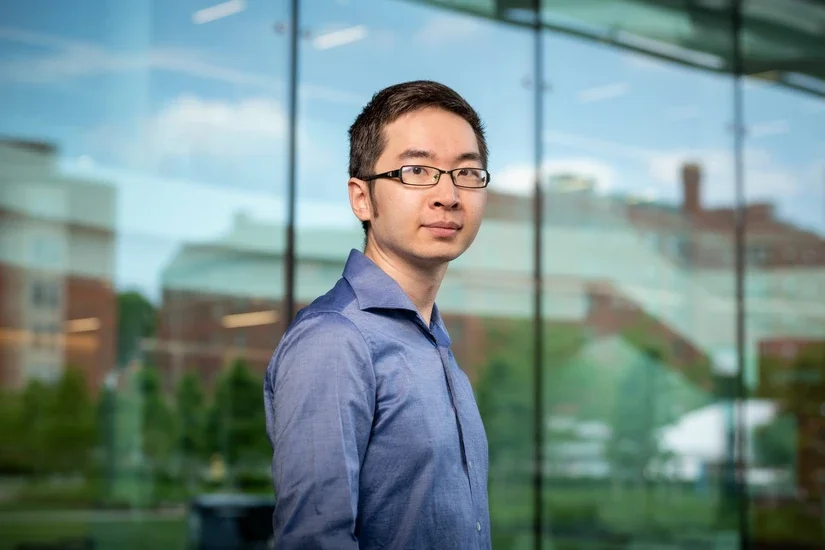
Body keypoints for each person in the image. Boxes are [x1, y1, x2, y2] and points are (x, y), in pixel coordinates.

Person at [264, 80, 491, 549]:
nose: (448, 195)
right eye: (416, 170)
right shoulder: (335, 340)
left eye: (467, 173)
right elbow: (313, 541)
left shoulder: (432, 341)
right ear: (361, 198)